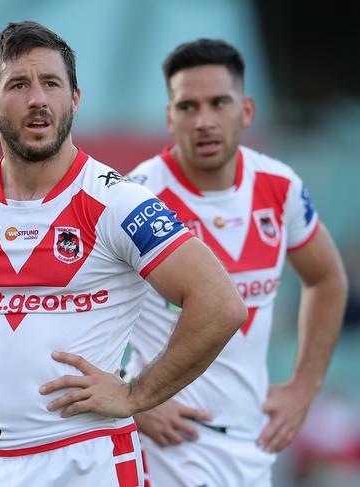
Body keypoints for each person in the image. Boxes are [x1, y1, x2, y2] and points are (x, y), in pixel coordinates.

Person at [0, 22, 247, 487]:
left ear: (74, 100)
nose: (37, 99)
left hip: (89, 466)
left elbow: (220, 304)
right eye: (19, 85)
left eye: (51, 84)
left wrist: (135, 395)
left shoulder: (118, 204)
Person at [124, 39, 348, 486]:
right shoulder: (137, 196)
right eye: (188, 106)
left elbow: (326, 278)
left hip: (250, 446)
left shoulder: (279, 187)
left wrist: (304, 387)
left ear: (245, 111)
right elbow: (77, 303)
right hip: (163, 449)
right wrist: (132, 397)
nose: (204, 121)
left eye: (218, 103)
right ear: (170, 117)